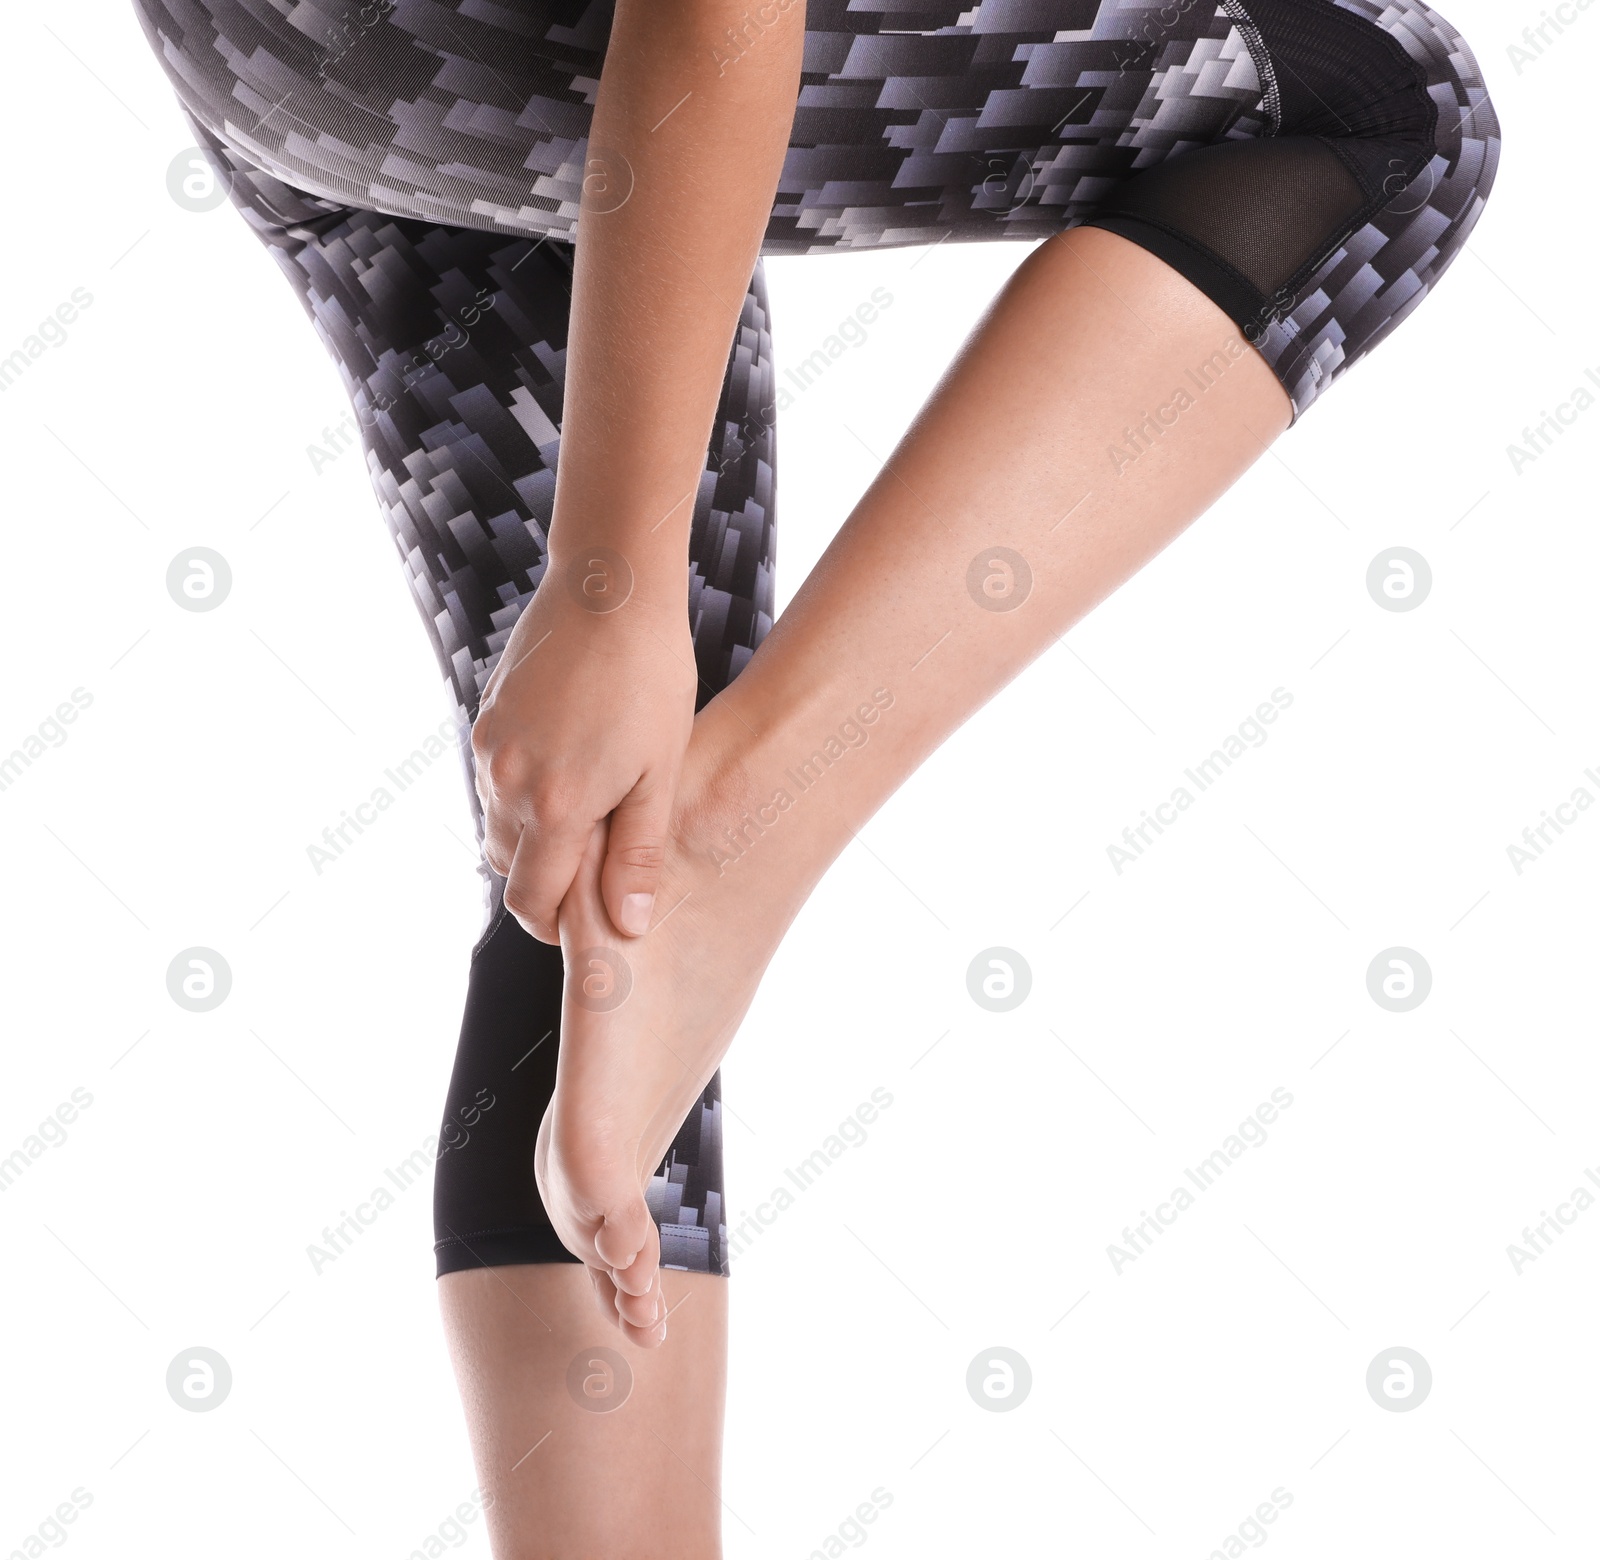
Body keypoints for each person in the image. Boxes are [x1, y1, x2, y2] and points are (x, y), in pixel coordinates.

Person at [130, 0, 1499, 1552]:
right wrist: (608, 587)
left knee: (602, 885)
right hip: (545, 41)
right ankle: (745, 825)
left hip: (287, 68)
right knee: (1369, 113)